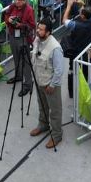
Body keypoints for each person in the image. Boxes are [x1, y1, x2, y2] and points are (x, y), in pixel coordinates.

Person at [29, 19, 64, 149]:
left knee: (55, 111)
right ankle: (43, 125)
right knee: (42, 106)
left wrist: (52, 85)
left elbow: (59, 69)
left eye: (41, 29)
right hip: (39, 81)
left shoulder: (55, 48)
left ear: (48, 32)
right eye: (38, 28)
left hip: (50, 85)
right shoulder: (37, 40)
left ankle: (56, 135)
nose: (38, 31)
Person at [3, 0, 36, 96]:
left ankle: (28, 84)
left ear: (24, 0)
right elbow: (6, 16)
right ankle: (18, 76)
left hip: (23, 38)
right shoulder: (12, 6)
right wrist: (9, 20)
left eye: (19, 0)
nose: (17, 1)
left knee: (25, 61)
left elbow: (32, 25)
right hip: (13, 36)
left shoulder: (29, 10)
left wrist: (20, 25)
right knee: (16, 58)